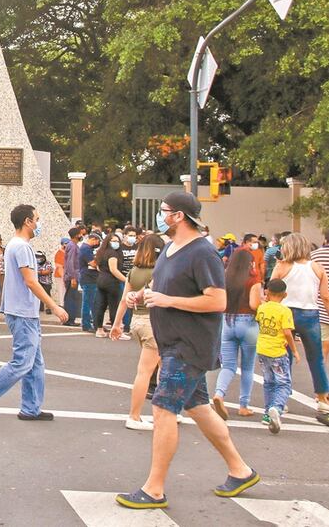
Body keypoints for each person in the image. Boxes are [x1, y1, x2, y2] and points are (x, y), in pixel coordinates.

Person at [116, 191, 257, 510]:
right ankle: (240, 470)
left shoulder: (202, 253)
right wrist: (145, 295)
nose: (160, 215)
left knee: (164, 409)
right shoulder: (169, 249)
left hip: (189, 346)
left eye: (163, 210)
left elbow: (217, 300)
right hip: (172, 343)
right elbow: (165, 287)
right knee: (199, 408)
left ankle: (154, 489)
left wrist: (168, 301)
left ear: (178, 216)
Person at [0, 205, 68, 424]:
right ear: (27, 221)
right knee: (23, 362)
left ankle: (30, 408)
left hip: (23, 311)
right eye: (37, 219)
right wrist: (55, 306)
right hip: (22, 312)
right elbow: (30, 281)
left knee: (35, 364)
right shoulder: (21, 247)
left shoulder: (18, 245)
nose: (39, 223)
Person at [270, 233, 329, 413]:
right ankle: (322, 399)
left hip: (286, 313)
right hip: (310, 313)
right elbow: (325, 296)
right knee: (316, 358)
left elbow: (272, 290)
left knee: (283, 358)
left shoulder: (282, 266)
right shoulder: (317, 268)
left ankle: (281, 398)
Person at [110, 236, 161, 431]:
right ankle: (135, 415)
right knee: (150, 372)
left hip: (137, 320)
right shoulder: (158, 272)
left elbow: (124, 300)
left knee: (152, 369)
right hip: (154, 322)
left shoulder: (133, 272)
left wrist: (116, 325)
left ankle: (160, 413)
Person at [210, 249, 259, 420]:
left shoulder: (224, 278)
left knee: (228, 366)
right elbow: (254, 304)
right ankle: (244, 405)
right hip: (249, 323)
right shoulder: (253, 280)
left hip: (227, 322)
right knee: (247, 367)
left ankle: (219, 394)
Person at [251, 279, 297, 434]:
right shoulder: (285, 311)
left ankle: (267, 414)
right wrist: (294, 350)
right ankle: (276, 408)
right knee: (284, 383)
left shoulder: (262, 308)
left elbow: (260, 323)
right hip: (278, 351)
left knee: (269, 382)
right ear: (285, 294)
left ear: (267, 292)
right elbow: (287, 332)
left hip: (262, 348)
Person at [94, 232, 127, 338]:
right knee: (114, 306)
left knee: (100, 306)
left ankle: (99, 329)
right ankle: (116, 330)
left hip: (101, 280)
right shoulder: (113, 254)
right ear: (108, 241)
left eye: (117, 241)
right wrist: (126, 280)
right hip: (111, 282)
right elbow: (114, 270)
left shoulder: (101, 252)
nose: (116, 243)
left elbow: (98, 267)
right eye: (114, 241)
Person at [310, 230, 329, 382]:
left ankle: (321, 390)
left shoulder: (314, 255)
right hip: (324, 304)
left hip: (319, 308)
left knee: (322, 351)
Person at [79, 232, 102, 332]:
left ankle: (91, 323)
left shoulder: (86, 248)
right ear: (93, 239)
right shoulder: (86, 249)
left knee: (90, 302)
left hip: (89, 278)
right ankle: (86, 324)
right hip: (89, 278)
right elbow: (92, 263)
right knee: (88, 302)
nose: (98, 243)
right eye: (97, 241)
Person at [62, 228, 83, 327]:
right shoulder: (73, 246)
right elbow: (70, 263)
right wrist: (73, 277)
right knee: (71, 298)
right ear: (76, 235)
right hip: (72, 276)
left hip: (71, 275)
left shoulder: (72, 245)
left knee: (70, 298)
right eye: (80, 234)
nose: (81, 235)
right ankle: (69, 319)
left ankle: (69, 318)